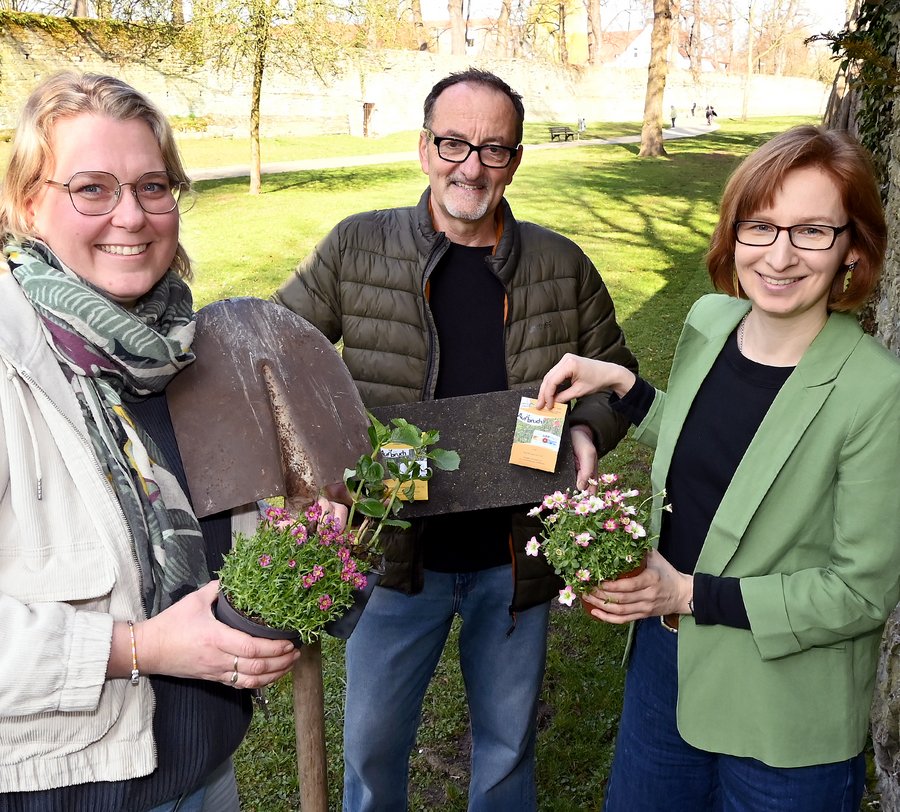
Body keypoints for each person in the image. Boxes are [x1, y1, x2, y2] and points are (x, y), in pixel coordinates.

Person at [273, 68, 637, 811]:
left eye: (494, 149)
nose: (471, 167)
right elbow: (279, 356)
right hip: (394, 554)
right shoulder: (356, 247)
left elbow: (615, 375)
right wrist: (319, 469)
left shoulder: (561, 265)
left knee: (505, 747)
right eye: (454, 144)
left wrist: (588, 431)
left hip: (512, 558)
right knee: (373, 746)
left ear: (515, 161)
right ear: (423, 148)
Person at [536, 125, 900, 811]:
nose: (780, 256)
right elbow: (727, 451)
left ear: (853, 246)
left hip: (784, 717)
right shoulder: (710, 321)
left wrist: (688, 595)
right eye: (760, 226)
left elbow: (860, 592)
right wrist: (625, 387)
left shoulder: (876, 391)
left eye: (812, 231)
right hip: (664, 671)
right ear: (733, 235)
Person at [0, 71, 308, 811]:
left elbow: (223, 549)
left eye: (152, 186)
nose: (132, 216)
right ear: (27, 204)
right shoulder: (12, 366)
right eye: (92, 189)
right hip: (66, 792)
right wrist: (140, 648)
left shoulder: (181, 352)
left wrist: (300, 548)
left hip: (205, 772)